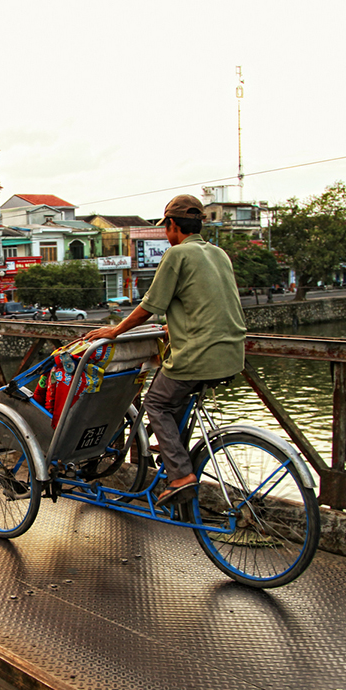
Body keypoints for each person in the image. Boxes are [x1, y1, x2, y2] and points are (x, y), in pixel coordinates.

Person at [82, 194, 246, 507]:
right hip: (232, 353)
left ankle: (181, 475)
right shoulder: (218, 254)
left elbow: (149, 306)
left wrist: (115, 330)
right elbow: (208, 303)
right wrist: (176, 326)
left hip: (199, 355)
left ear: (172, 225)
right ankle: (177, 466)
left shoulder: (177, 254)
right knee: (173, 401)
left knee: (156, 403)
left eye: (166, 227)